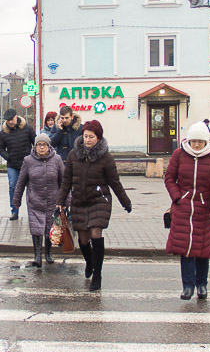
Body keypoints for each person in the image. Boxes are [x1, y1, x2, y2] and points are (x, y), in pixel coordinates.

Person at [56, 120, 131, 291]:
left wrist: (125, 202)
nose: (88, 139)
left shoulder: (106, 158)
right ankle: (90, 261)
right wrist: (60, 202)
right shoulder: (74, 155)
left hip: (99, 200)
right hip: (79, 201)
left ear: (98, 137)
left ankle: (97, 274)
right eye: (85, 136)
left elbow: (115, 182)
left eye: (91, 136)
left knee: (96, 233)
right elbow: (66, 181)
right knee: (83, 240)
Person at [164, 121, 210, 300]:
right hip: (183, 209)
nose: (197, 145)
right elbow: (169, 178)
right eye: (194, 141)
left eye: (200, 141)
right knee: (185, 249)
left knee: (202, 249)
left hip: (204, 210)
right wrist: (178, 197)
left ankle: (202, 285)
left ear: (206, 141)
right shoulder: (179, 155)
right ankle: (187, 286)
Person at [12, 133, 64, 267]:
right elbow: (21, 182)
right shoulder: (28, 161)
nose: (42, 147)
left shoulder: (57, 159)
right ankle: (37, 255)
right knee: (36, 228)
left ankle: (48, 253)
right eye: (39, 145)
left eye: (44, 145)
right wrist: (16, 201)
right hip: (35, 200)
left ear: (49, 146)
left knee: (49, 228)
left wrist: (66, 201)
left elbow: (64, 182)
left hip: (52, 200)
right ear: (35, 146)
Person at [0, 108, 37, 220]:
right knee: (13, 186)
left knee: (32, 188)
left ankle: (33, 211)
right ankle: (14, 211)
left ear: (16, 117)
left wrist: (33, 157)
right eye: (8, 120)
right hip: (12, 165)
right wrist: (8, 156)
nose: (10, 122)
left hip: (28, 164)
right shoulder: (4, 133)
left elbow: (36, 143)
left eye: (12, 119)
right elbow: (0, 148)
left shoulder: (27, 129)